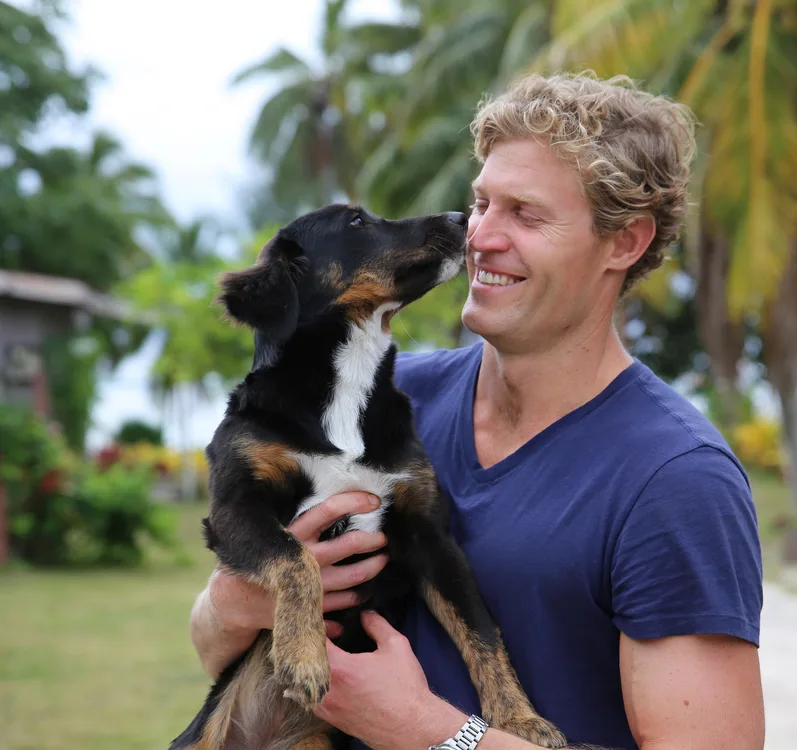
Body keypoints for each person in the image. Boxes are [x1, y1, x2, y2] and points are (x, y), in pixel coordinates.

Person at [189, 72, 765, 750]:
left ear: (625, 243)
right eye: (482, 203)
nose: (480, 236)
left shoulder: (675, 479)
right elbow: (216, 649)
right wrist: (232, 603)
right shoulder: (398, 401)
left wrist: (431, 731)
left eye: (525, 214)